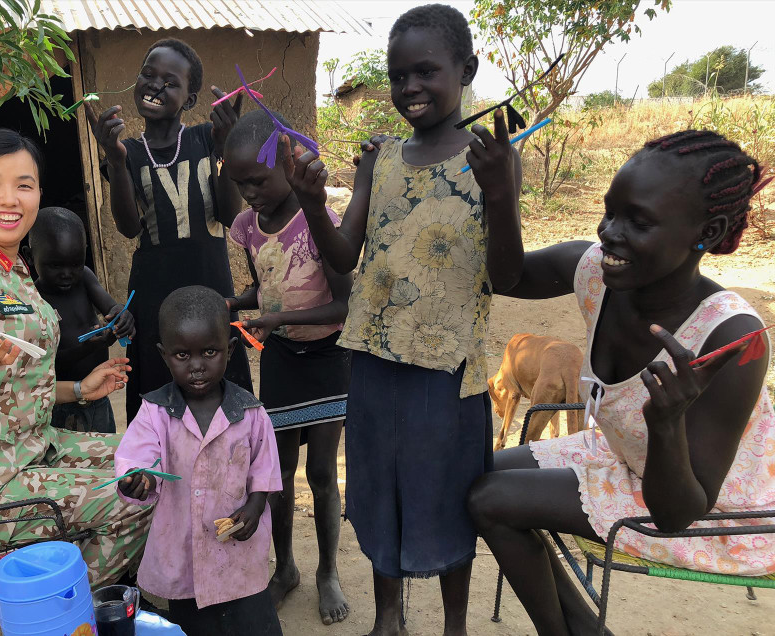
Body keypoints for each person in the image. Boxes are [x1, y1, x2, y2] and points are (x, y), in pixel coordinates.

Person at [467, 129, 775, 635]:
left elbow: (679, 513)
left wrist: (668, 421)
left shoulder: (731, 338)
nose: (609, 231)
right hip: (622, 455)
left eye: (639, 221)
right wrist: (501, 193)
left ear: (710, 231)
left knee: (489, 499)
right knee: (472, 473)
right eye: (610, 211)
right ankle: (582, 629)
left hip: (709, 503)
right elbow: (506, 277)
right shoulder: (595, 272)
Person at [285, 5, 524, 634]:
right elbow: (344, 255)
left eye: (426, 71)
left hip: (447, 375)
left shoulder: (491, 159)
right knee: (382, 490)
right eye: (397, 76)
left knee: (447, 496)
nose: (409, 87)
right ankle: (388, 619)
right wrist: (312, 204)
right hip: (374, 362)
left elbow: (506, 277)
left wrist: (499, 194)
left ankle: (453, 625)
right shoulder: (380, 160)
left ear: (465, 69)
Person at [0, 128, 152, 587]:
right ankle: (69, 609)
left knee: (151, 462)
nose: (9, 198)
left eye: (24, 185)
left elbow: (13, 387)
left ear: (38, 194)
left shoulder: (16, 271)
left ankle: (96, 589)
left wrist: (78, 389)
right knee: (140, 498)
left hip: (38, 450)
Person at [223, 109, 353, 625]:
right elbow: (269, 282)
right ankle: (286, 571)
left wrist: (276, 317)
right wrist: (236, 305)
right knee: (274, 474)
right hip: (281, 357)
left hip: (327, 356)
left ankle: (327, 573)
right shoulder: (247, 227)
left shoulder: (318, 219)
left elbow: (344, 305)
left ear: (288, 161)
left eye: (256, 179)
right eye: (240, 184)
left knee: (321, 471)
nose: (249, 192)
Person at [84, 38, 252, 423]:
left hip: (211, 287)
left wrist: (226, 148)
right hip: (154, 293)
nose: (156, 85)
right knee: (159, 399)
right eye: (148, 74)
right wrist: (114, 158)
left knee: (221, 392)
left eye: (170, 81)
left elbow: (229, 214)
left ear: (190, 100)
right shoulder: (127, 150)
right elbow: (128, 227)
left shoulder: (206, 139)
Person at [115, 285, 283, 636]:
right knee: (191, 625)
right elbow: (138, 458)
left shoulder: (251, 414)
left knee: (251, 621)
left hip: (238, 551)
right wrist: (139, 479)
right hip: (183, 550)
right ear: (164, 355)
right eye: (182, 355)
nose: (196, 366)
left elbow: (265, 471)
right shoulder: (154, 412)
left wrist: (254, 507)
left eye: (209, 352)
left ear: (230, 349)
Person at [29, 206, 135, 433]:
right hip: (60, 404)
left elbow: (111, 308)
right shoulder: (33, 300)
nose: (67, 273)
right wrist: (86, 347)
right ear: (31, 257)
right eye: (55, 265)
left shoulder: (84, 277)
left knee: (105, 455)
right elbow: (47, 365)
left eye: (75, 264)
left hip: (99, 398)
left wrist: (122, 317)